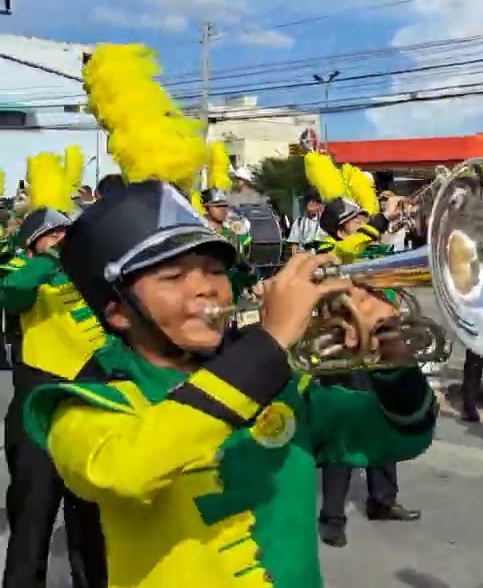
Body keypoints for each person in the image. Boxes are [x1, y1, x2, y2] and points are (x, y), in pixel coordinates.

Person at [22, 180, 437, 587]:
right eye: (172, 277)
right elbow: (124, 470)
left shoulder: (280, 381)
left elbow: (400, 436)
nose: (207, 288)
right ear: (118, 313)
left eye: (215, 271)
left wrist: (392, 362)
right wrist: (270, 342)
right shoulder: (84, 401)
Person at [2, 156, 107, 588]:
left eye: (68, 234)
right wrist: (48, 261)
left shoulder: (91, 277)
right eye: (54, 234)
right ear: (33, 243)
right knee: (33, 518)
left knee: (92, 521)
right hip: (37, 412)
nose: (64, 241)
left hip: (91, 406)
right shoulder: (20, 269)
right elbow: (12, 294)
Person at [307, 176, 421, 546]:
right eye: (357, 221)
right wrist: (382, 218)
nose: (362, 226)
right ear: (342, 229)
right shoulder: (325, 250)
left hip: (376, 348)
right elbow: (354, 249)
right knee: (344, 434)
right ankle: (332, 517)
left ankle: (383, 500)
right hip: (342, 352)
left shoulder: (364, 253)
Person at [287, 190, 325, 255]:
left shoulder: (326, 222)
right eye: (312, 203)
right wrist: (297, 253)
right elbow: (294, 246)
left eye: (317, 203)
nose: (315, 206)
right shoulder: (298, 222)